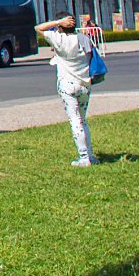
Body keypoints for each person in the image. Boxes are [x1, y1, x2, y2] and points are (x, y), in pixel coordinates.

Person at [35, 14, 98, 166]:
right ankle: (90, 155)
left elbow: (38, 28)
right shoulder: (84, 39)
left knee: (75, 121)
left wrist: (57, 22)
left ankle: (84, 158)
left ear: (61, 26)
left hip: (67, 86)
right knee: (83, 121)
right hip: (84, 84)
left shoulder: (58, 39)